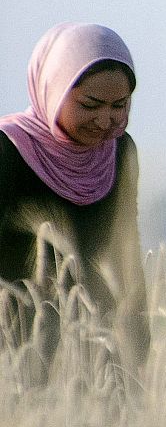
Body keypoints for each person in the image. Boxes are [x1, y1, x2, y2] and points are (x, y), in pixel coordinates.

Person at [0, 23, 148, 378]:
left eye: (119, 106)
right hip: (15, 340)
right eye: (90, 105)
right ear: (51, 90)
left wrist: (137, 340)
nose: (105, 120)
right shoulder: (9, 150)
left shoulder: (121, 152)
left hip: (96, 342)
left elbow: (125, 250)